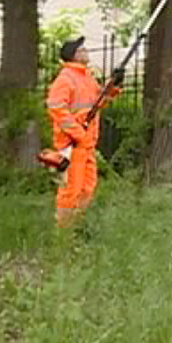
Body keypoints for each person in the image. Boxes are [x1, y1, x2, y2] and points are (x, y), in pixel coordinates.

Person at [44, 36, 123, 228]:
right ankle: (63, 234)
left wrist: (114, 86)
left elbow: (98, 102)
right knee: (70, 190)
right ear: (74, 55)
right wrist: (79, 134)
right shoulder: (65, 79)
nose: (86, 51)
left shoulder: (86, 77)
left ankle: (77, 226)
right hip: (71, 146)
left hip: (86, 145)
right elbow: (56, 108)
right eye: (82, 49)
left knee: (87, 188)